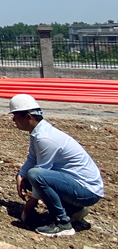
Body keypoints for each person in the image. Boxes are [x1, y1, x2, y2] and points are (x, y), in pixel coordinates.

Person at [10, 94, 104, 237]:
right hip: (78, 185)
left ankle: (62, 223)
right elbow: (32, 158)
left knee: (35, 175)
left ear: (28, 117)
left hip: (88, 191)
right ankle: (74, 211)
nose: (13, 120)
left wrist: (32, 201)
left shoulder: (45, 138)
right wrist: (21, 175)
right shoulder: (38, 132)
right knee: (27, 177)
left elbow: (40, 172)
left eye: (15, 116)